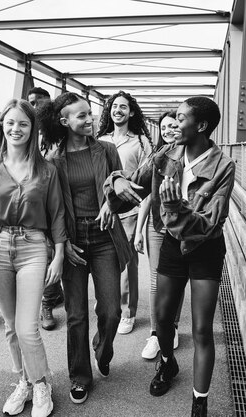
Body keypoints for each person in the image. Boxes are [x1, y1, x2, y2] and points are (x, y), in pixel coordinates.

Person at [104, 97, 235, 417]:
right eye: (173, 118)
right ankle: (168, 363)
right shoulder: (164, 155)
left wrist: (175, 207)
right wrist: (117, 181)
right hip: (173, 247)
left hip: (205, 249)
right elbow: (130, 190)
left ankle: (199, 401)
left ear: (201, 126)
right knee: (162, 319)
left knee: (202, 329)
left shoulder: (223, 166)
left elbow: (209, 223)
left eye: (181, 118)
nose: (174, 124)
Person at [38, 92, 131, 405]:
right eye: (81, 116)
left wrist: (111, 203)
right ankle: (80, 376)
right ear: (64, 121)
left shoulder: (106, 150)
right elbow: (50, 208)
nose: (89, 119)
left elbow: (122, 185)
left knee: (111, 310)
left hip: (104, 240)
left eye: (90, 114)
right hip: (73, 243)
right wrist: (61, 244)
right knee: (76, 314)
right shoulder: (53, 160)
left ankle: (102, 349)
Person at [0, 99, 65, 416]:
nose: (16, 129)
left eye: (23, 123)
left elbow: (57, 215)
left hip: (33, 246)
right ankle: (24, 382)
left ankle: (42, 384)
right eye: (11, 122)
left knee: (27, 328)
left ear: (32, 130)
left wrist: (58, 255)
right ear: (2, 126)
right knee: (9, 326)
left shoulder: (46, 170)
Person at [96, 91, 153, 335]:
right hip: (103, 211)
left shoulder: (141, 142)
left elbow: (148, 183)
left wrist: (141, 226)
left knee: (127, 263)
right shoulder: (99, 139)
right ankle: (108, 305)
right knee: (103, 261)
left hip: (129, 212)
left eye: (123, 107)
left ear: (131, 112)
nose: (117, 110)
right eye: (114, 106)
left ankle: (128, 312)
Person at [134, 110, 185, 359]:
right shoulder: (158, 157)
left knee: (175, 279)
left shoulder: (191, 154)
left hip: (179, 226)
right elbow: (146, 195)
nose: (167, 131)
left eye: (173, 125)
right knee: (155, 280)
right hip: (156, 225)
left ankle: (172, 327)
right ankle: (156, 333)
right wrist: (138, 230)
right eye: (163, 127)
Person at [27, 86, 65, 331]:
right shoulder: (27, 132)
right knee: (45, 254)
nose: (34, 106)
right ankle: (51, 296)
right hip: (36, 202)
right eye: (31, 102)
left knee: (51, 253)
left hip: (59, 198)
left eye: (39, 102)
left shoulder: (60, 134)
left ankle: (48, 302)